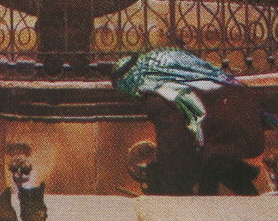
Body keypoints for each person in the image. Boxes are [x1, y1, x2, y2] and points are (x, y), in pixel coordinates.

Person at [112, 48, 265, 196]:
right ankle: (247, 188)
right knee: (211, 159)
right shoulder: (158, 62)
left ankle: (244, 190)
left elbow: (173, 140)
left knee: (208, 159)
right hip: (241, 108)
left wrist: (171, 186)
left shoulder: (155, 93)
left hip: (228, 120)